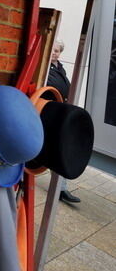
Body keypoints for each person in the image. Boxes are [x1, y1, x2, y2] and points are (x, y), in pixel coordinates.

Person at [47, 39, 80, 204]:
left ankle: (60, 188)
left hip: (59, 113)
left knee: (59, 149)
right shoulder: (44, 66)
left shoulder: (60, 68)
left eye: (57, 50)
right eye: (52, 49)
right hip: (46, 111)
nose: (54, 53)